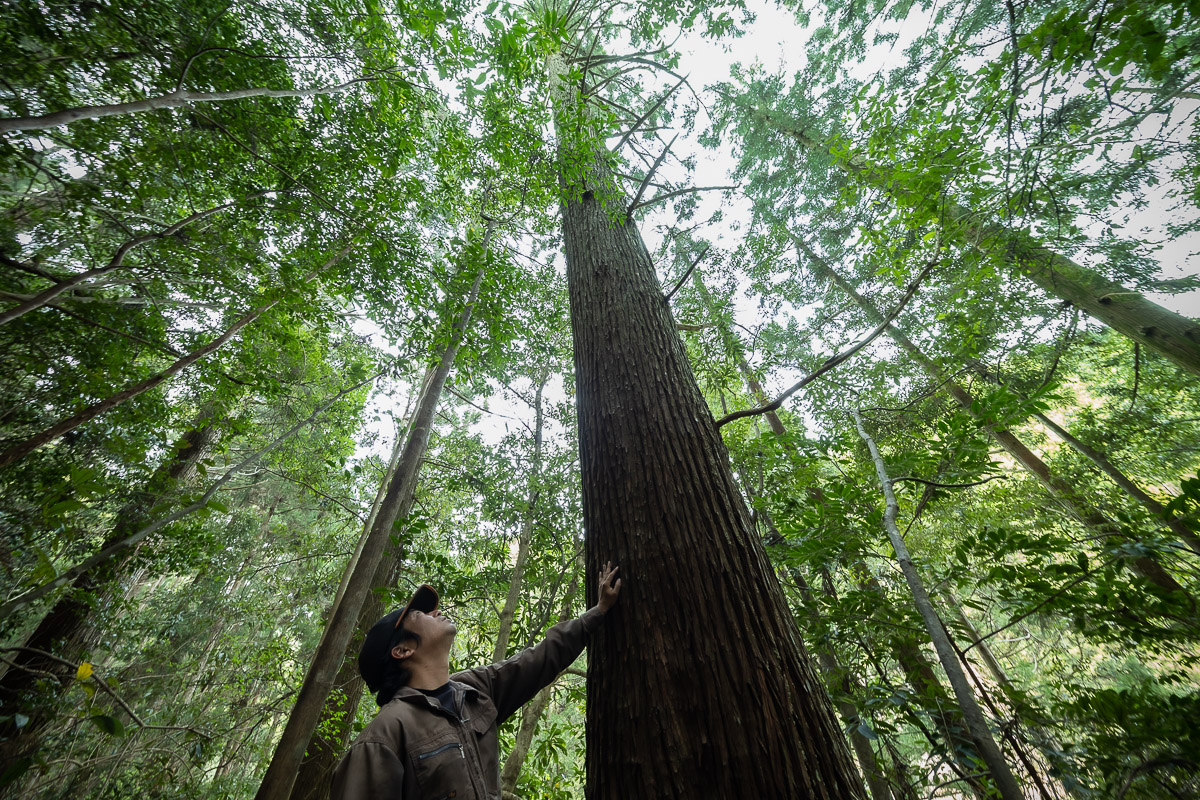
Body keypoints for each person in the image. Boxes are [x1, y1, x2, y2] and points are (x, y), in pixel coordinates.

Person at [330, 562, 622, 799]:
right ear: (403, 650)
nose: (437, 612)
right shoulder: (383, 737)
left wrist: (597, 613)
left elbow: (535, 661)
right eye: (421, 614)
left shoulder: (474, 691)